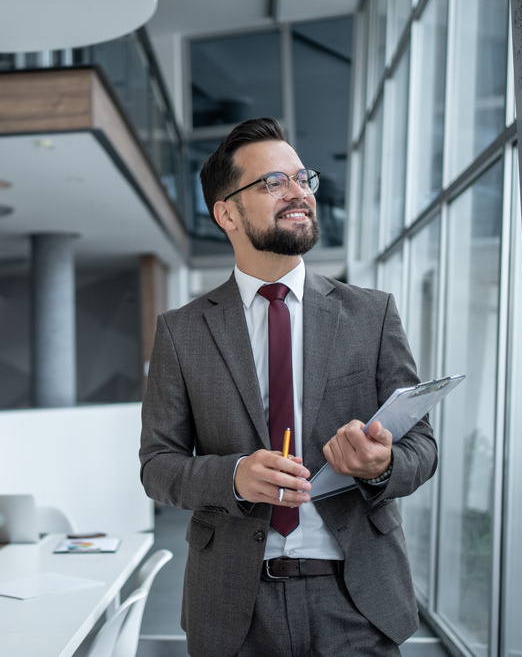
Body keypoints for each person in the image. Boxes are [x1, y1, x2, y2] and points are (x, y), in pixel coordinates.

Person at [139, 117, 437, 657]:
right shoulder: (182, 332)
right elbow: (157, 466)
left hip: (357, 599)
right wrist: (232, 475)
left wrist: (382, 465)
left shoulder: (371, 314)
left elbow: (423, 445)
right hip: (235, 608)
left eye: (303, 178)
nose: (299, 193)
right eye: (274, 183)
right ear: (226, 212)